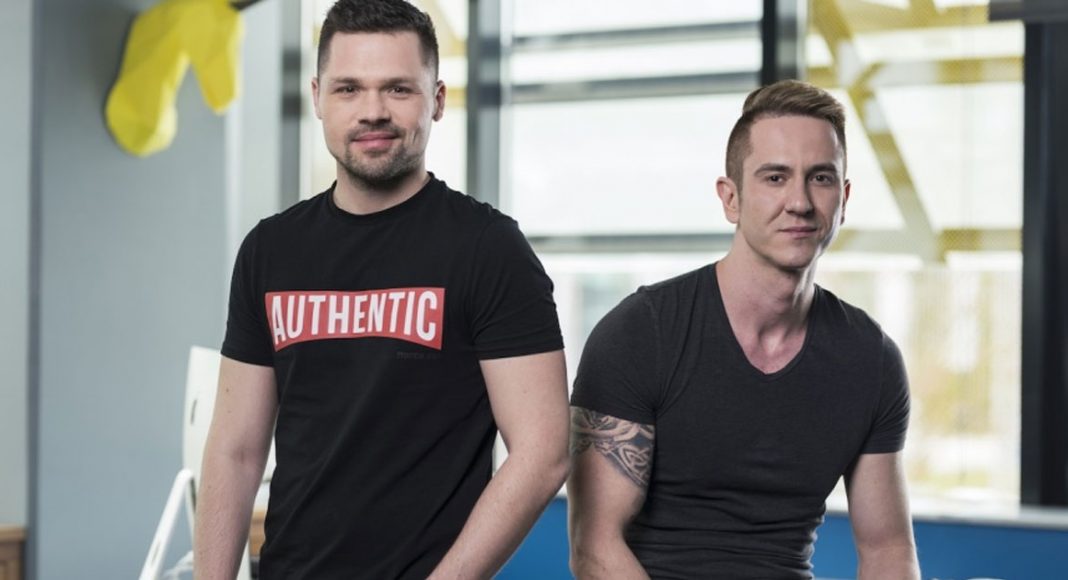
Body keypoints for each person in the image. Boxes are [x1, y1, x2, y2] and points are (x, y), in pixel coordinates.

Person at [193, 1, 570, 578]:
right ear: (318, 97)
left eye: (398, 89)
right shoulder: (270, 250)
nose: (373, 111)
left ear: (436, 100)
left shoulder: (488, 249)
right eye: (348, 89)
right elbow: (235, 451)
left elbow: (543, 454)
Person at [568, 80, 920, 579]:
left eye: (820, 178)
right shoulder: (641, 333)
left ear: (843, 199)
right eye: (775, 177)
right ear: (730, 198)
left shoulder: (871, 359)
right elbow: (595, 547)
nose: (799, 202)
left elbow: (887, 551)